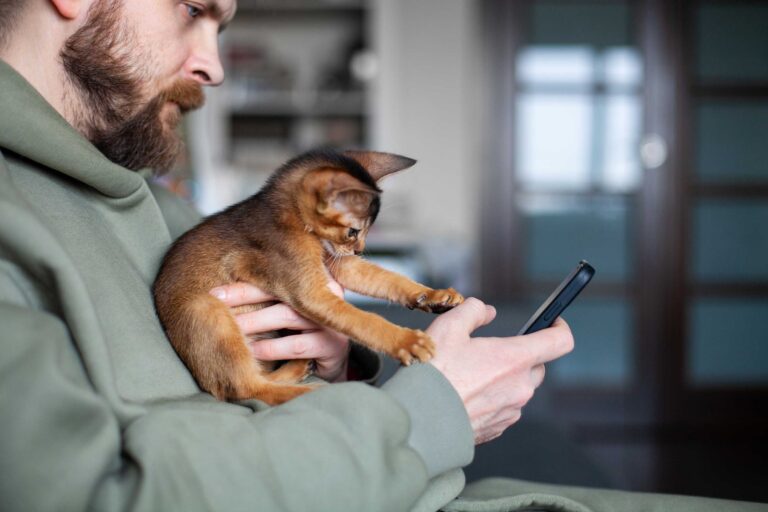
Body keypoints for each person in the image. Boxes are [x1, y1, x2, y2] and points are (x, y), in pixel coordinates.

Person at [0, 1, 763, 511]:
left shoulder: (157, 206)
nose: (215, 66)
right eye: (194, 9)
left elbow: (307, 309)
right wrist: (428, 409)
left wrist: (335, 361)